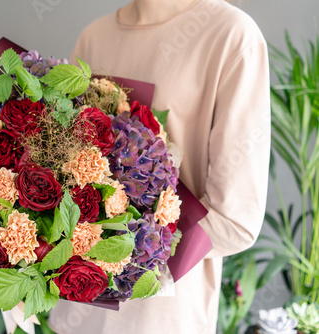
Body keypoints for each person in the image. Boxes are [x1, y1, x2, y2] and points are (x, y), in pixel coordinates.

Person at [48, 0, 270, 333]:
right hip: (76, 310)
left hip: (162, 318)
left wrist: (127, 255)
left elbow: (235, 219)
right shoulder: (94, 37)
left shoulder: (231, 36)